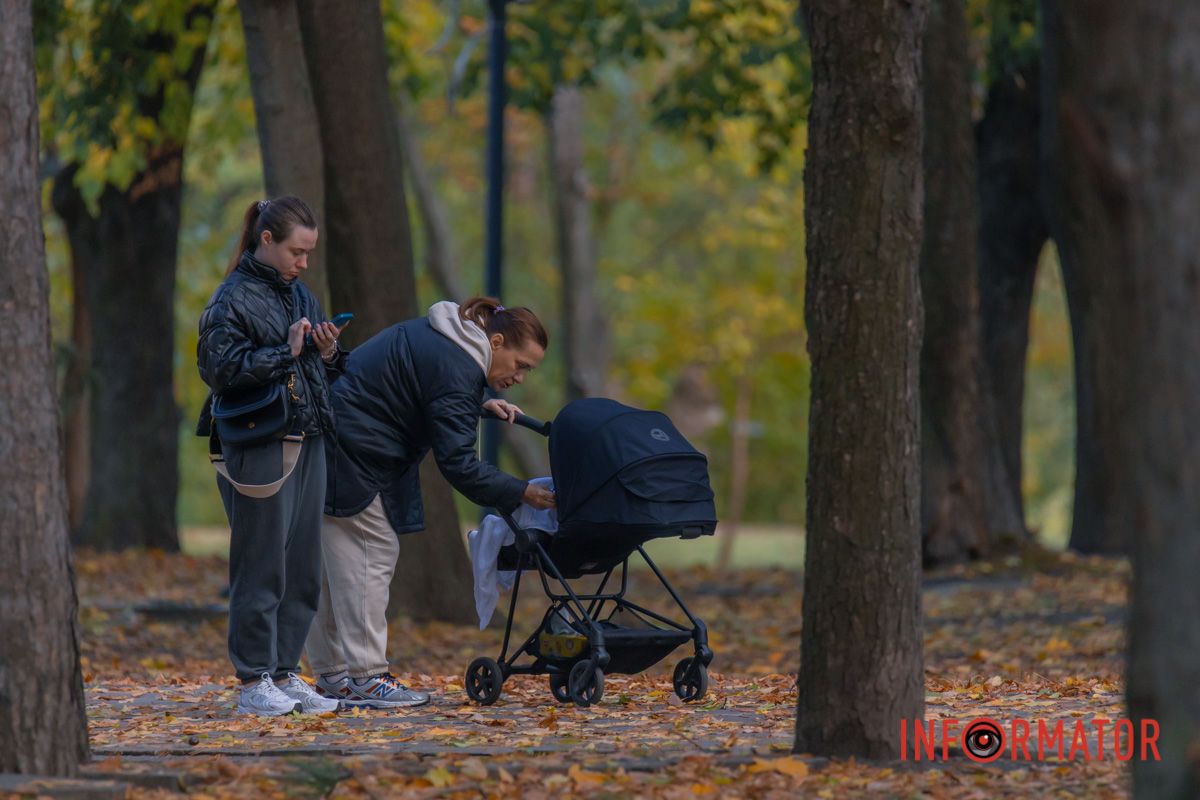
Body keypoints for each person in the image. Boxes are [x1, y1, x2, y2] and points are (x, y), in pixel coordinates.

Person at [306, 297, 556, 708]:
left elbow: (423, 388)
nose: (521, 377)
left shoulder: (444, 338)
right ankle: (367, 677)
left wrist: (477, 403)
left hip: (333, 447)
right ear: (495, 341)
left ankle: (334, 676)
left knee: (336, 570)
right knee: (371, 556)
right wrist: (521, 491)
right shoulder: (459, 366)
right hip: (356, 457)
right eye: (521, 364)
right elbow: (459, 464)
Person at [196, 196, 346, 716]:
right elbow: (220, 370)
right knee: (260, 564)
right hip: (259, 443)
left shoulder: (302, 296)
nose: (303, 263)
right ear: (266, 240)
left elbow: (317, 372)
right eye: (296, 251)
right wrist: (287, 350)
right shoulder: (231, 298)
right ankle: (253, 680)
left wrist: (327, 353)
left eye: (308, 253)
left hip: (308, 438)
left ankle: (284, 672)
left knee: (303, 567)